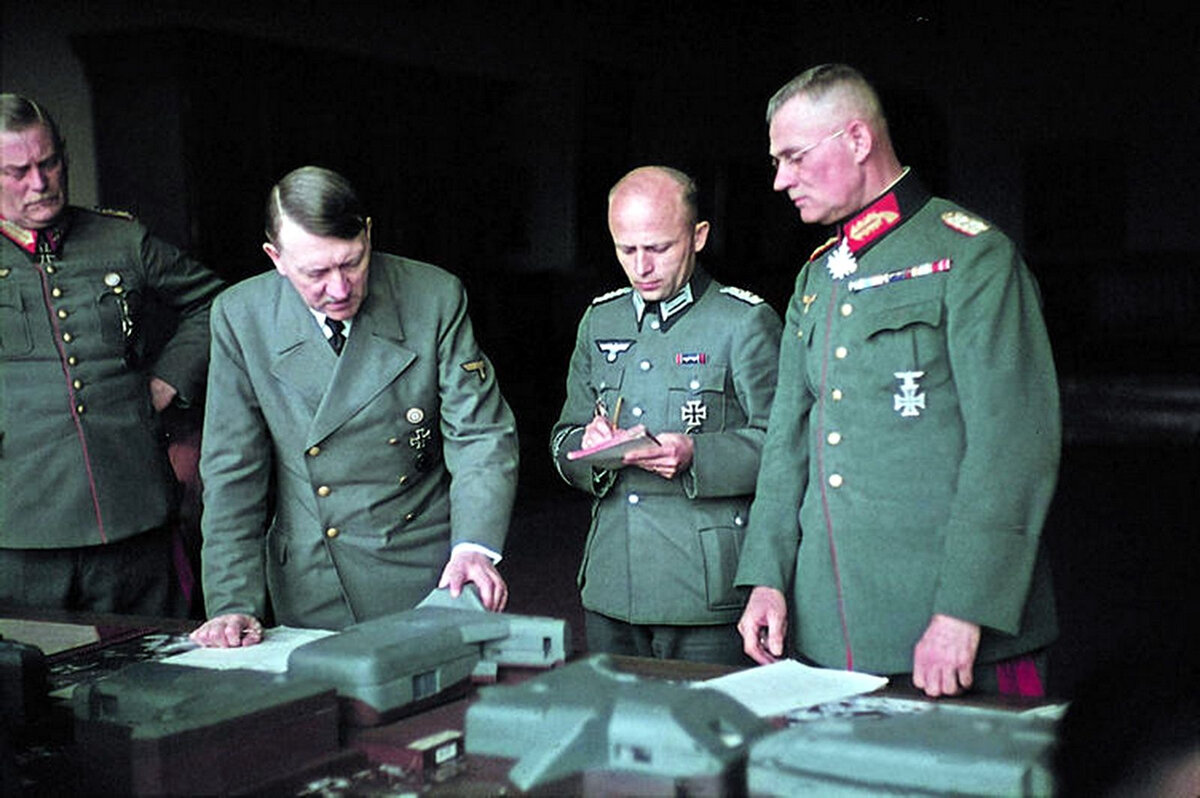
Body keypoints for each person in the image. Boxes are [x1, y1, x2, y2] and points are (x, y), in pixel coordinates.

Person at [734, 64, 1060, 697]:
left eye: (794, 157)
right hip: (829, 630)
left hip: (949, 631)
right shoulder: (818, 276)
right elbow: (786, 445)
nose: (780, 180)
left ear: (858, 140)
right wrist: (767, 577)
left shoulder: (972, 256)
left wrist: (965, 608)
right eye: (777, 162)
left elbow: (1014, 444)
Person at [191, 165, 518, 647]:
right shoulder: (241, 316)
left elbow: (479, 434)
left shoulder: (433, 296)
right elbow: (232, 470)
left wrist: (474, 548)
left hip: (422, 567)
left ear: (368, 233)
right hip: (311, 575)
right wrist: (231, 601)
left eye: (352, 263)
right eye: (316, 273)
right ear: (276, 258)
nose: (340, 289)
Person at [0, 93, 226, 616]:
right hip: (20, 523)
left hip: (132, 506)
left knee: (161, 659)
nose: (40, 183)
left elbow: (216, 303)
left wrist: (170, 379)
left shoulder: (120, 239)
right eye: (18, 172)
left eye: (49, 163)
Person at [550, 166, 781, 665]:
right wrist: (587, 446)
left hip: (705, 589)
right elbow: (562, 439)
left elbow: (786, 448)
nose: (642, 267)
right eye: (626, 250)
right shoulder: (600, 320)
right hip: (612, 583)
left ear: (698, 236)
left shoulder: (742, 322)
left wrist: (698, 454)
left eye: (658, 248)